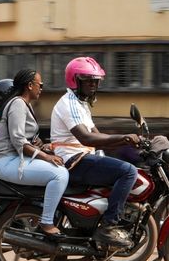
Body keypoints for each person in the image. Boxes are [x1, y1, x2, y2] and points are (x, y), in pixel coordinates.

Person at [50, 57, 140, 248]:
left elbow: (98, 137)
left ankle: (91, 228)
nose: (93, 84)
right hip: (73, 161)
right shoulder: (69, 103)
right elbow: (87, 138)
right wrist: (124, 138)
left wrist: (128, 144)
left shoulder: (81, 104)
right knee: (129, 171)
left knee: (124, 168)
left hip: (83, 157)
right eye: (88, 80)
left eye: (95, 80)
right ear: (75, 80)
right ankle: (108, 226)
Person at [0, 69, 68, 238]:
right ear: (29, 85)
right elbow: (18, 140)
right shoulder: (18, 103)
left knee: (61, 167)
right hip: (5, 161)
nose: (41, 88)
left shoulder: (25, 105)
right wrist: (46, 156)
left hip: (14, 159)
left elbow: (24, 139)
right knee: (60, 175)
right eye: (40, 85)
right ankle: (46, 223)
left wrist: (41, 147)